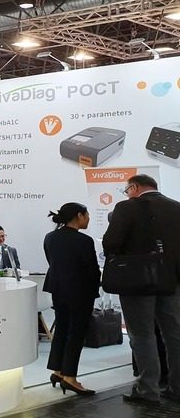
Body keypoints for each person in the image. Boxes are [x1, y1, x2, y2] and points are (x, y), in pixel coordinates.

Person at [103, 174, 180, 406]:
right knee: (174, 334)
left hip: (137, 281)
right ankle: (177, 388)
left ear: (134, 187)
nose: (127, 195)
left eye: (127, 190)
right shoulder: (176, 207)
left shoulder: (126, 208)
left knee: (142, 335)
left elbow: (111, 243)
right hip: (173, 280)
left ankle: (148, 390)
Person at [43, 202, 100, 396]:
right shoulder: (84, 240)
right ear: (79, 215)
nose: (89, 219)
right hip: (80, 290)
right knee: (76, 333)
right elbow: (91, 269)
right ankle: (70, 377)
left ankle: (58, 371)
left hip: (58, 288)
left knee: (62, 329)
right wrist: (97, 285)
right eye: (87, 215)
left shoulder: (50, 237)